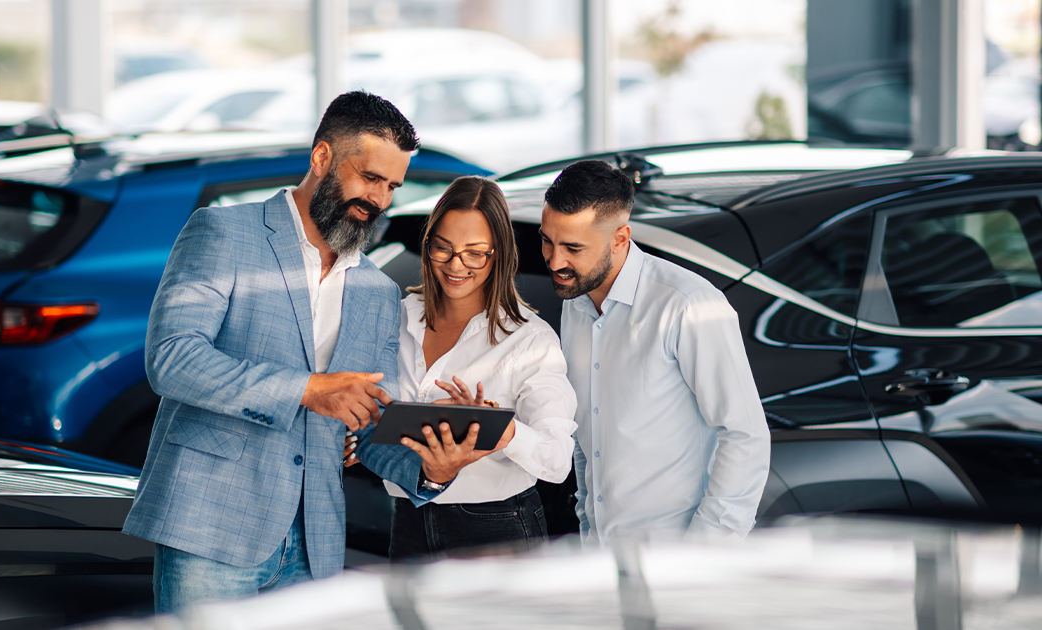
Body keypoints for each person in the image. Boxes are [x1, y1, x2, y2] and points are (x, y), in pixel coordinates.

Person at [124, 91, 475, 612]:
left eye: (393, 186)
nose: (380, 199)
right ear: (322, 158)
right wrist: (309, 390)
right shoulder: (223, 232)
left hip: (316, 544)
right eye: (370, 178)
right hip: (212, 526)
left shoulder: (378, 291)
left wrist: (433, 465)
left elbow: (370, 425)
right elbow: (173, 359)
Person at [538, 160, 770, 542]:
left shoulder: (688, 304)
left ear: (620, 238)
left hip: (678, 563)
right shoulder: (575, 302)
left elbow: (745, 436)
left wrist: (701, 555)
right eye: (548, 240)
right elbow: (587, 435)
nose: (555, 261)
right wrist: (586, 526)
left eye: (573, 247)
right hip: (603, 557)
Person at [349, 176, 577, 559]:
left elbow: (556, 460)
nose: (456, 265)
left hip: (498, 530)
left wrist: (501, 430)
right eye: (443, 249)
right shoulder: (395, 318)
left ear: (498, 254)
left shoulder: (530, 341)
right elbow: (369, 414)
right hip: (408, 521)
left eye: (474, 253)